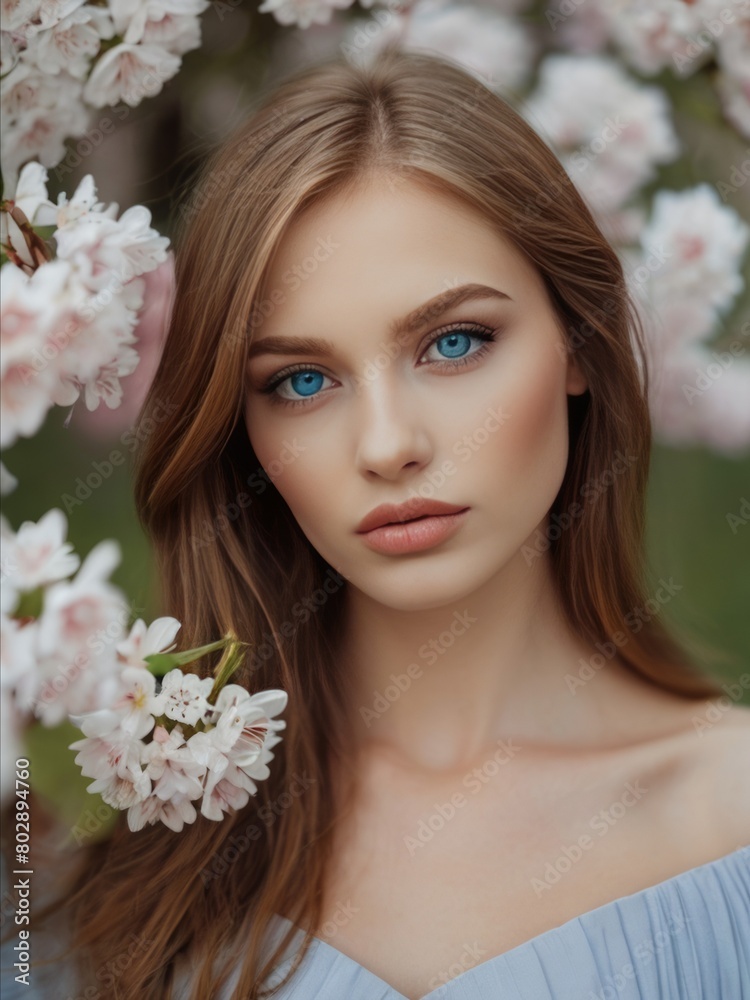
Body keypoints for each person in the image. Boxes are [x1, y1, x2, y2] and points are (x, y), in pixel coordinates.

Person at [2, 45, 749, 1000]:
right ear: (242, 428)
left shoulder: (732, 814)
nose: (388, 445)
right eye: (302, 382)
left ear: (577, 339)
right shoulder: (127, 870)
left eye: (454, 342)